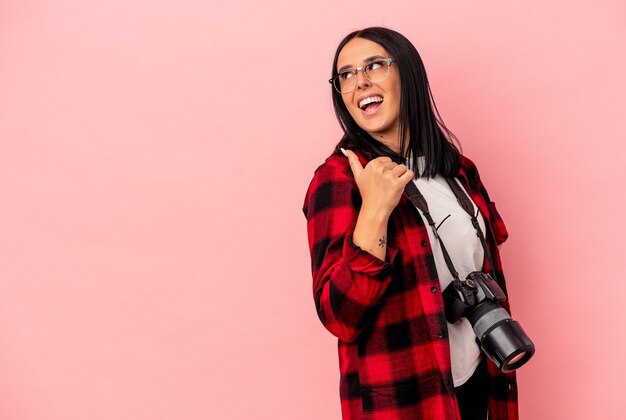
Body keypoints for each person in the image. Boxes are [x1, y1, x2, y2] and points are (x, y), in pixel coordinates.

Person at [302, 27, 519, 420]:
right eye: (346, 75)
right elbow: (339, 316)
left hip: (478, 385)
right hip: (406, 399)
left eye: (374, 65)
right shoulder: (338, 179)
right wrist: (374, 212)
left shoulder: (458, 171)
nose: (360, 81)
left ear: (408, 74)